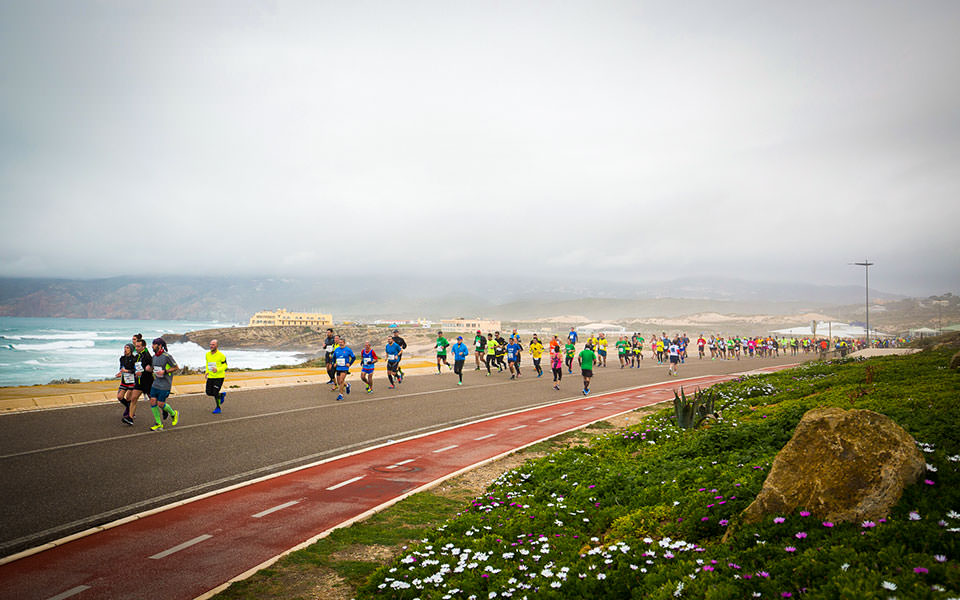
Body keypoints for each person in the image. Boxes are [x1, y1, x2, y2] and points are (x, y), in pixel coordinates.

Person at [148, 338, 179, 431]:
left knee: (161, 404)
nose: (152, 346)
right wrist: (149, 369)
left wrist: (164, 371)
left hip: (165, 384)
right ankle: (159, 423)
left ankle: (173, 414)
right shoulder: (154, 357)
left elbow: (176, 367)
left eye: (154, 344)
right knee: (153, 401)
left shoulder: (167, 356)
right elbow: (153, 369)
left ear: (160, 346)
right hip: (156, 383)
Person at [128, 337, 152, 424]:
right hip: (138, 383)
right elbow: (134, 368)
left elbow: (151, 369)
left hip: (147, 382)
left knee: (154, 401)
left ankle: (165, 410)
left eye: (138, 346)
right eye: (136, 346)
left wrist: (145, 371)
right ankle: (130, 418)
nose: (136, 348)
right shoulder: (137, 356)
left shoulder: (147, 356)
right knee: (133, 399)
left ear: (143, 347)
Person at [115, 343, 137, 425]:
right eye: (124, 347)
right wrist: (120, 373)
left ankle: (129, 413)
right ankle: (129, 408)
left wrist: (127, 371)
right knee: (120, 397)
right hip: (124, 380)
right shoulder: (122, 358)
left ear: (131, 349)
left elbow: (135, 370)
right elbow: (121, 368)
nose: (125, 349)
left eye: (127, 348)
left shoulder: (134, 359)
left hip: (131, 381)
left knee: (128, 398)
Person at [205, 339, 228, 414]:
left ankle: (218, 408)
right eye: (210, 344)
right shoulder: (207, 354)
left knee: (215, 392)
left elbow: (225, 365)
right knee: (208, 392)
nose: (211, 346)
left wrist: (217, 369)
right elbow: (207, 364)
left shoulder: (221, 355)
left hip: (219, 377)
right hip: (211, 377)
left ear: (217, 346)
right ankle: (221, 395)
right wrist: (207, 372)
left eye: (213, 344)